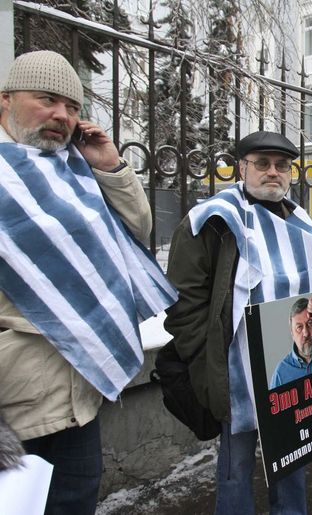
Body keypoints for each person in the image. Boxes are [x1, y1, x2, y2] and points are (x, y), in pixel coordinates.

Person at [0, 50, 176, 515]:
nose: (62, 115)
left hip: (81, 395)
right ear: (6, 100)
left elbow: (135, 231)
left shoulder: (72, 167)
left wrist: (109, 164)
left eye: (73, 107)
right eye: (47, 99)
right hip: (15, 406)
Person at [164, 130, 312, 514]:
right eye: (262, 164)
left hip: (294, 362)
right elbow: (183, 301)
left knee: (294, 452)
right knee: (236, 466)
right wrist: (205, 358)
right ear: (241, 167)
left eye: (281, 165)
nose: (272, 172)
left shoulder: (305, 224)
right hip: (236, 369)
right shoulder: (213, 220)